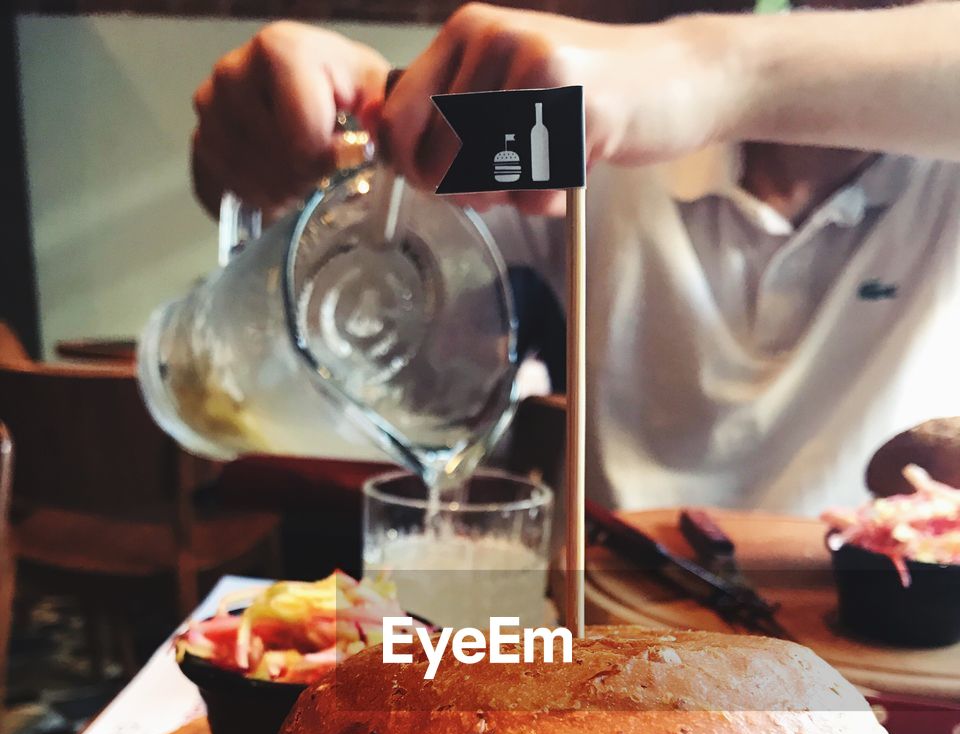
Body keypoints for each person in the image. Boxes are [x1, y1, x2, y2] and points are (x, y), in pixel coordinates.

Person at [191, 2, 960, 514]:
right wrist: (294, 128)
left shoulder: (942, 170)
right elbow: (341, 232)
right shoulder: (582, 136)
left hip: (886, 639)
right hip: (611, 631)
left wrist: (713, 69)